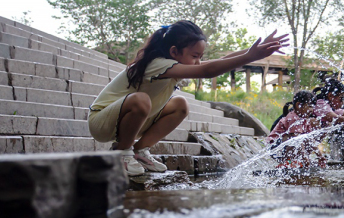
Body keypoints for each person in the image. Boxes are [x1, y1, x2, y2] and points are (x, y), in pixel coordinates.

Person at [88, 22, 288, 175]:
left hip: (131, 119)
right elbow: (208, 70)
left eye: (200, 56)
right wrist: (250, 56)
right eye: (195, 56)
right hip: (102, 121)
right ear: (174, 51)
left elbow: (215, 63)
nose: (198, 61)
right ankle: (122, 152)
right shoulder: (157, 64)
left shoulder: (173, 65)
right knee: (141, 100)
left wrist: (255, 50)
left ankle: (140, 150)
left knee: (180, 105)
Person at [266, 90, 320, 167]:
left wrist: (320, 156)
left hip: (284, 147)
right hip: (275, 147)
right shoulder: (293, 118)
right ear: (298, 105)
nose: (312, 110)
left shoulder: (305, 120)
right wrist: (305, 158)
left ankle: (292, 162)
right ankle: (286, 163)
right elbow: (297, 139)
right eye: (310, 106)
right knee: (295, 139)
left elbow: (311, 140)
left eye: (313, 107)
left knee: (306, 139)